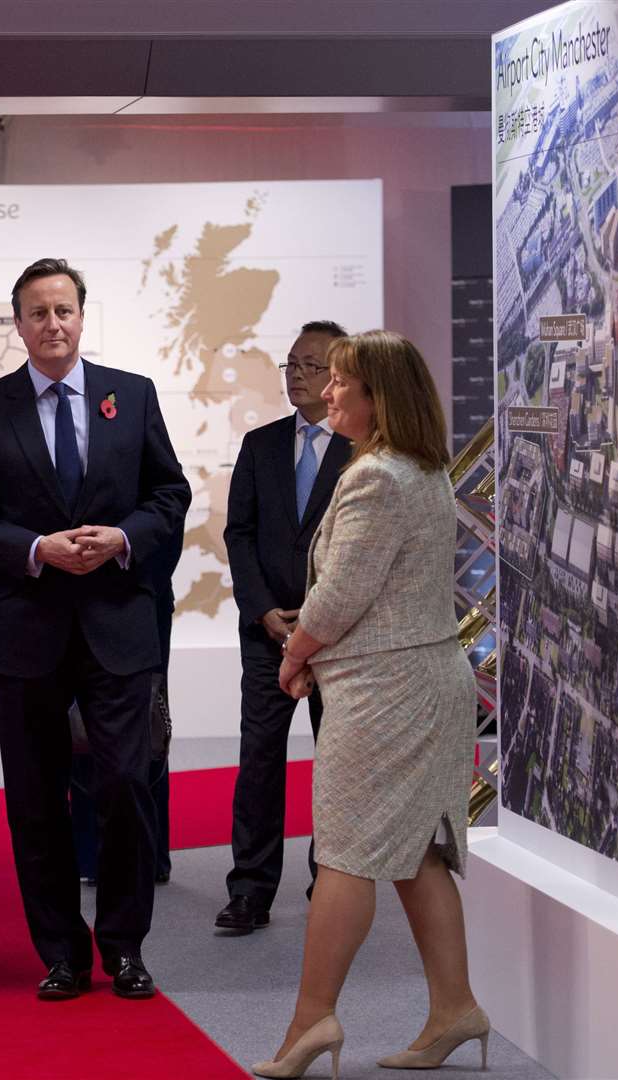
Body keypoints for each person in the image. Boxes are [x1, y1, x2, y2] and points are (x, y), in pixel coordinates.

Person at [0, 258, 190, 1001]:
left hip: (119, 622)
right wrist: (33, 549)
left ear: (83, 317)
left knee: (122, 784)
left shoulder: (132, 395)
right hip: (27, 629)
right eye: (38, 313)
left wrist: (121, 538)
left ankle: (124, 948)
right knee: (36, 798)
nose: (53, 324)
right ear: (18, 325)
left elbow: (169, 493)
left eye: (65, 311)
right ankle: (61, 953)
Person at [250, 330, 487, 1079]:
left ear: (380, 396)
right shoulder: (419, 470)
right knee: (418, 851)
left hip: (389, 696)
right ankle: (455, 1008)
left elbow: (341, 594)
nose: (328, 393)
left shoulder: (378, 477)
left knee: (346, 854)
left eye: (343, 384)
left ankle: (312, 1021)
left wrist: (294, 655)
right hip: (416, 684)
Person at [218, 321, 351, 934]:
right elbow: (238, 535)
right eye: (290, 364)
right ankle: (249, 890)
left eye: (311, 364)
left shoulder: (363, 451)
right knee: (260, 760)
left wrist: (321, 616)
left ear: (339, 376)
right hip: (267, 633)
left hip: (341, 638)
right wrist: (261, 609)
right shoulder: (260, 444)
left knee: (338, 762)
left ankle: (331, 879)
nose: (297, 374)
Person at [70, 531, 180, 886]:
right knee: (78, 728)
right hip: (67, 598)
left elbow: (167, 519)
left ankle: (148, 854)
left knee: (144, 728)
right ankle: (92, 855)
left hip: (139, 597)